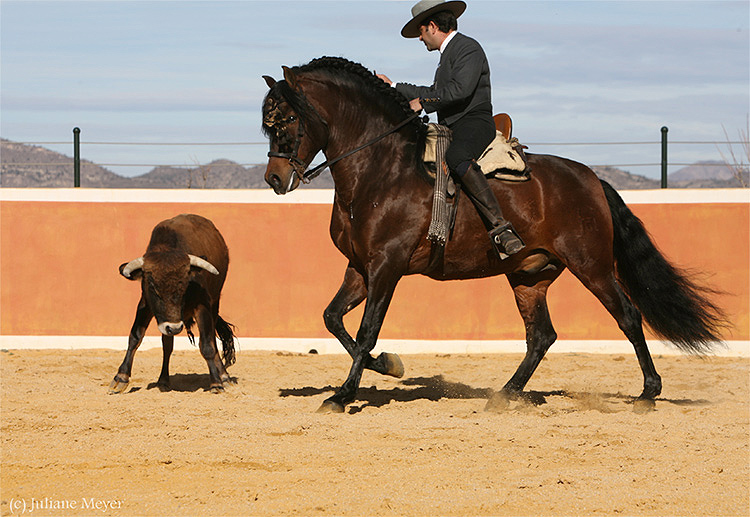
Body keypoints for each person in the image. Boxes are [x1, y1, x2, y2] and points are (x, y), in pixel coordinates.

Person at [377, 0, 525, 257]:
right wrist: (393, 87)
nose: (421, 39)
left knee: (456, 157)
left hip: (475, 123)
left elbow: (460, 90)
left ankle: (501, 228)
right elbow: (436, 92)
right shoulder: (448, 55)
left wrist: (423, 102)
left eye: (421, 33)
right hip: (451, 125)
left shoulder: (468, 48)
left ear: (432, 27)